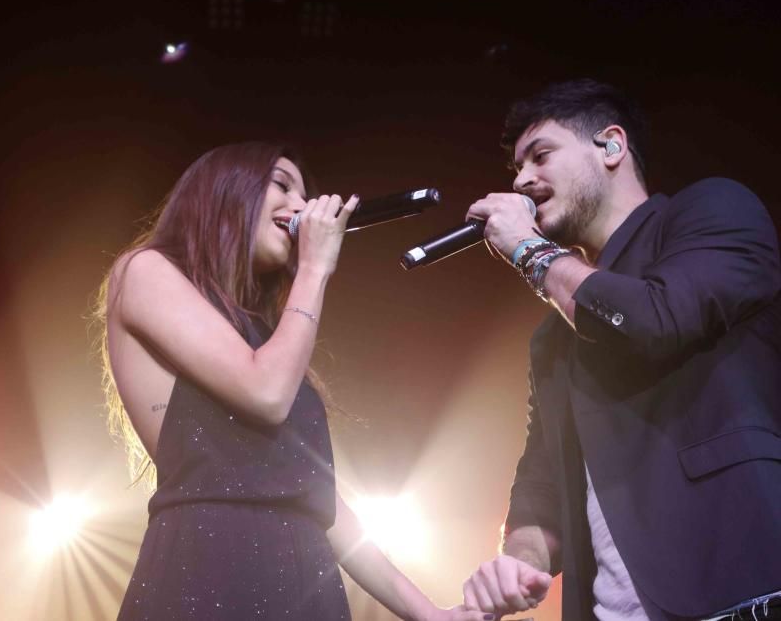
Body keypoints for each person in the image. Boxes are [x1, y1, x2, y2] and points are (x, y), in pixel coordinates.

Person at [97, 142, 486, 621]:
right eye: (281, 185)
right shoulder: (144, 271)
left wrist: (433, 615)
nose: (301, 207)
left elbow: (320, 500)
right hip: (205, 573)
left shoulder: (265, 337)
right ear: (223, 191)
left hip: (305, 581)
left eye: (303, 194)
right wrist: (316, 269)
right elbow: (265, 394)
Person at [458, 79, 781, 620]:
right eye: (516, 168)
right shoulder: (553, 336)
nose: (521, 180)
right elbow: (542, 482)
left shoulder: (712, 212)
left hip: (739, 594)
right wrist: (519, 559)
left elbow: (652, 319)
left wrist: (530, 251)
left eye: (540, 155)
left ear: (611, 146)